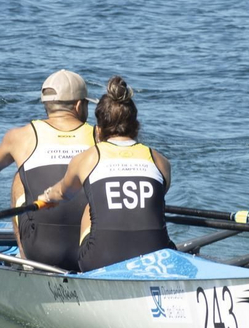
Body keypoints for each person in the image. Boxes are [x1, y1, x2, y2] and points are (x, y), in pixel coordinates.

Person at [34, 76, 173, 272]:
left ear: (98, 131)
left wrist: (46, 197)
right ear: (136, 127)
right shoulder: (160, 161)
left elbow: (62, 193)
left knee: (92, 206)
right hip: (157, 256)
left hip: (101, 259)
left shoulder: (87, 159)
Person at [0, 70, 95, 270]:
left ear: (46, 105)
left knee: (20, 179)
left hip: (43, 251)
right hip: (91, 248)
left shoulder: (22, 136)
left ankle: (26, 262)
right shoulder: (101, 137)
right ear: (78, 105)